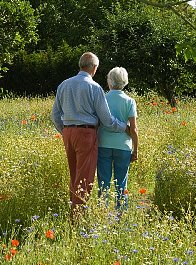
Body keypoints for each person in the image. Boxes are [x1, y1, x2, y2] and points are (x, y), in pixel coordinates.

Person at [51, 52, 129, 218]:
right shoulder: (94, 87)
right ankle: (77, 219)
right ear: (94, 68)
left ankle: (74, 212)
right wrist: (124, 127)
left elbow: (55, 114)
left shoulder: (64, 85)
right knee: (84, 177)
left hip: (68, 132)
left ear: (80, 65)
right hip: (86, 133)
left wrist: (64, 131)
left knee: (74, 175)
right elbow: (107, 120)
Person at [97, 67, 138, 211]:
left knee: (104, 181)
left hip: (103, 144)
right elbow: (133, 129)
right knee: (121, 182)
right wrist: (135, 149)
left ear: (109, 81)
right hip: (123, 146)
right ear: (125, 82)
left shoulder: (102, 98)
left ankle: (102, 211)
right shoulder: (130, 101)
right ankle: (121, 212)